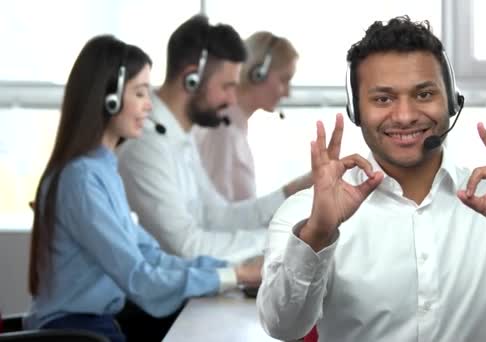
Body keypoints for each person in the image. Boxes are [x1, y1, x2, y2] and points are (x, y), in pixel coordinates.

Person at [257, 15, 486, 342]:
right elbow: (284, 327)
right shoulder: (305, 213)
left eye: (424, 94)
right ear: (355, 110)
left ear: (451, 101)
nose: (405, 116)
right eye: (383, 98)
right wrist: (317, 235)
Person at [24, 35, 261, 342]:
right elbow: (138, 277)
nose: (149, 106)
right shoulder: (81, 179)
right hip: (75, 332)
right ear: (108, 99)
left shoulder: (102, 169)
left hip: (97, 324)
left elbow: (151, 255)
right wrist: (235, 276)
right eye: (139, 93)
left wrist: (234, 269)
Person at [116, 15, 312, 263]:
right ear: (191, 79)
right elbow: (186, 245)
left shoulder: (179, 137)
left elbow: (218, 216)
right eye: (227, 86)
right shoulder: (146, 145)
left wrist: (292, 192)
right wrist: (282, 240)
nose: (232, 99)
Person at [192, 31, 298, 201]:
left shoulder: (235, 127)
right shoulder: (221, 131)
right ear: (257, 74)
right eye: (284, 80)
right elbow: (218, 219)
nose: (288, 93)